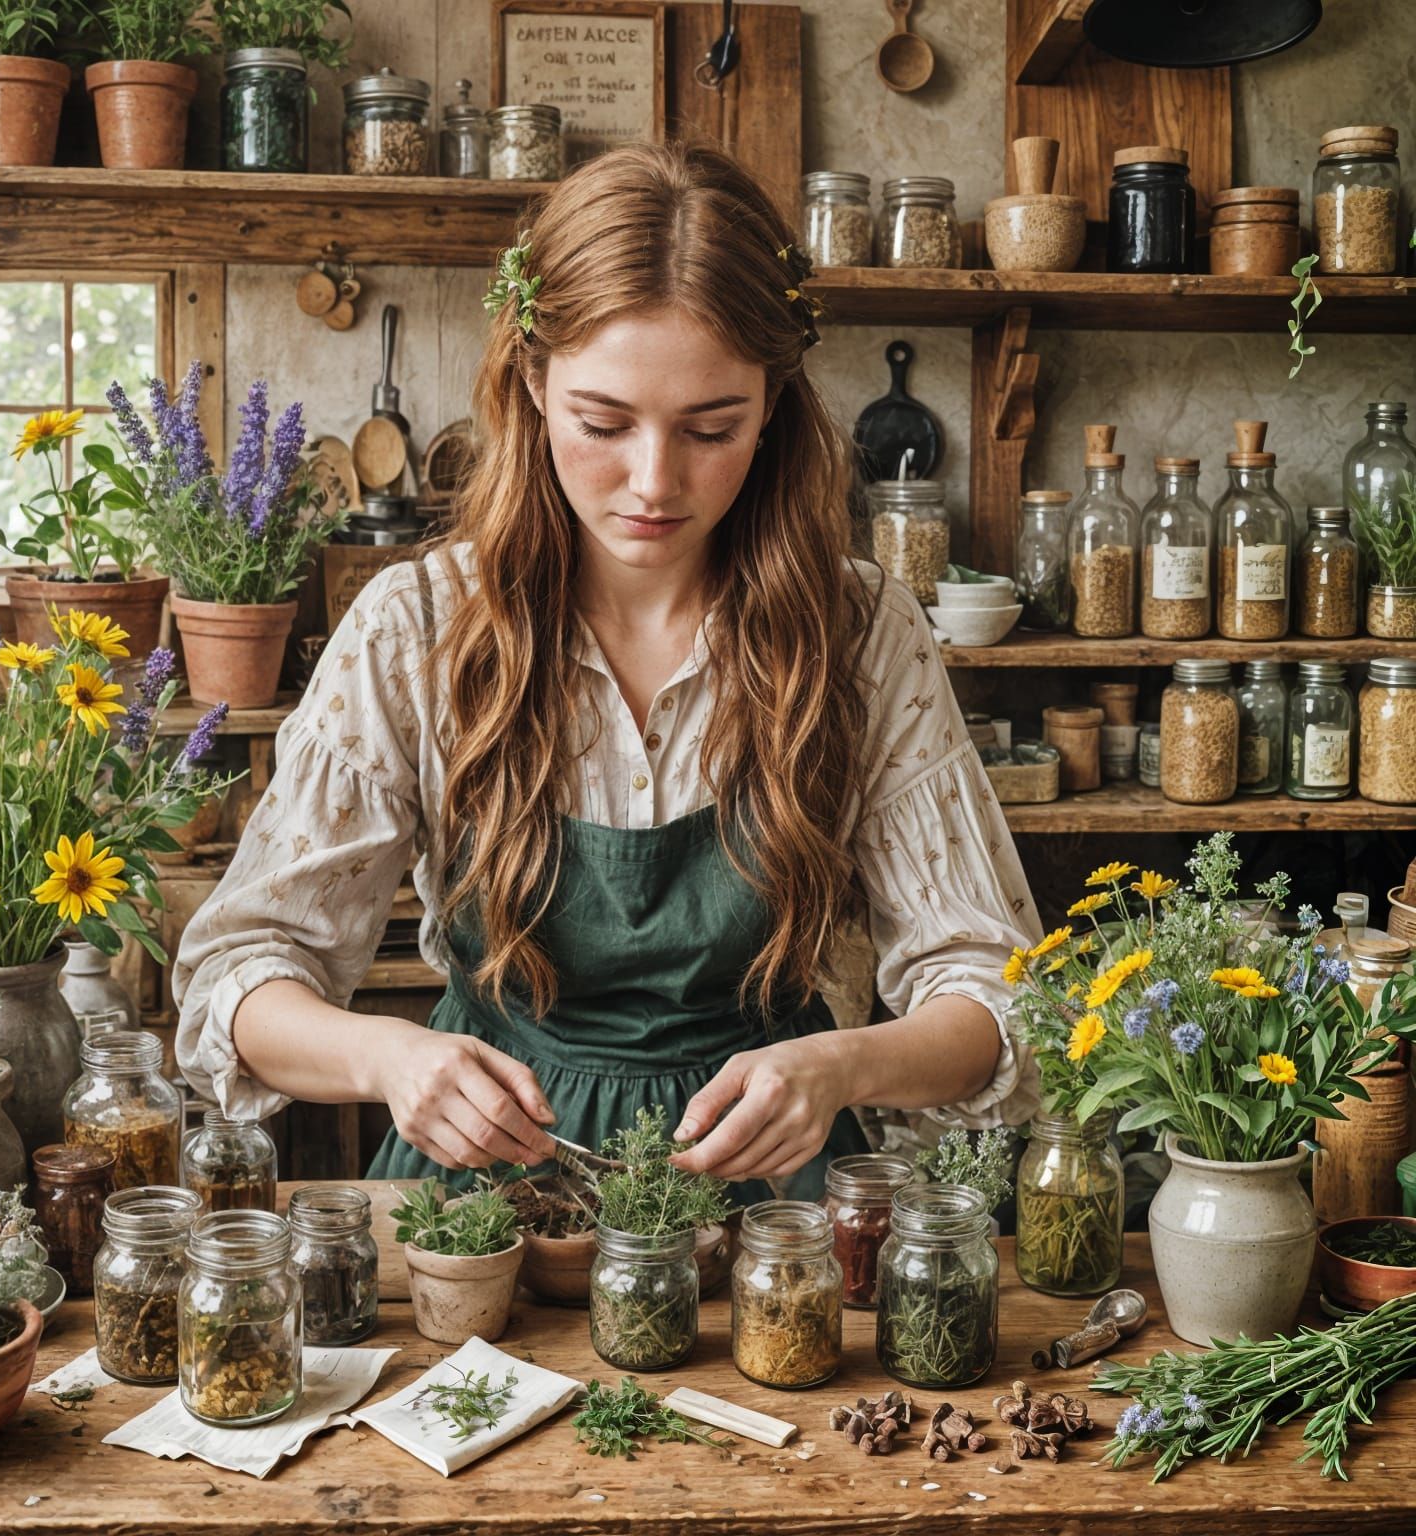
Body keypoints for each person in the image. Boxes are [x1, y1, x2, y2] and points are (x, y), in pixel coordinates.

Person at [174, 140, 1039, 1206]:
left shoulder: (859, 630)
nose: (653, 481)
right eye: (604, 422)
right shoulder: (421, 625)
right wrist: (390, 1060)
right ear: (533, 383)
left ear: (772, 404)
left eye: (710, 428)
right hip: (481, 1209)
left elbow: (996, 993)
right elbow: (239, 972)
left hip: (777, 1209)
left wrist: (841, 1065)